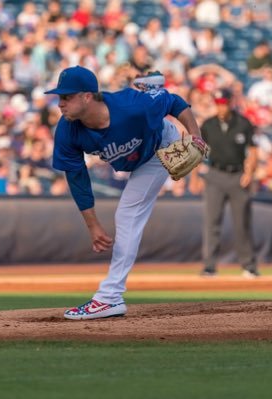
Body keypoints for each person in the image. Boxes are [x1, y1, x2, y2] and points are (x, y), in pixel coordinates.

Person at [44, 66, 206, 320]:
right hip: (132, 159)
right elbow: (77, 179)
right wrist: (93, 225)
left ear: (87, 96)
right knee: (127, 212)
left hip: (158, 146)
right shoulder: (67, 130)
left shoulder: (132, 108)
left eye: (66, 97)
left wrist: (195, 136)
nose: (60, 103)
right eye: (59, 97)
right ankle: (150, 87)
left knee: (128, 215)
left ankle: (109, 298)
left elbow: (175, 102)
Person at [200, 89, 259, 277]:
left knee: (242, 223)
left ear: (230, 103)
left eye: (223, 102)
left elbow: (253, 151)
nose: (221, 106)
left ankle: (248, 266)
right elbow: (197, 150)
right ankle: (209, 266)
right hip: (215, 174)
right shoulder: (208, 125)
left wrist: (249, 173)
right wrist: (195, 177)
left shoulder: (243, 123)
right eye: (217, 102)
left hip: (238, 176)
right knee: (212, 222)